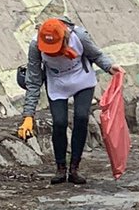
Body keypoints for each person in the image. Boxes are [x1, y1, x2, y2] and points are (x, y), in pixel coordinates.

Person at [18, 16, 122, 185]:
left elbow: (96, 55)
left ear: (64, 38)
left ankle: (75, 168)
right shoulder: (35, 45)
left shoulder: (79, 36)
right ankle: (60, 168)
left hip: (82, 80)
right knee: (59, 122)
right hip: (57, 84)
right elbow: (34, 80)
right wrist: (28, 116)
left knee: (81, 117)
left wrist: (110, 67)